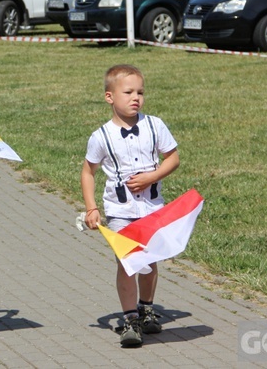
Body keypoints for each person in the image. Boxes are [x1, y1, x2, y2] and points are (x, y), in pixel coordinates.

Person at [80, 64, 180, 348]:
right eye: (128, 92)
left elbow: (173, 158)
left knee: (149, 261)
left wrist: (153, 175)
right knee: (127, 263)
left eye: (140, 92)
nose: (136, 97)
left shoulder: (155, 125)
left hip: (152, 209)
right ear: (109, 97)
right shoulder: (101, 136)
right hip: (120, 213)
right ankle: (130, 319)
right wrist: (91, 207)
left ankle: (147, 308)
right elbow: (88, 172)